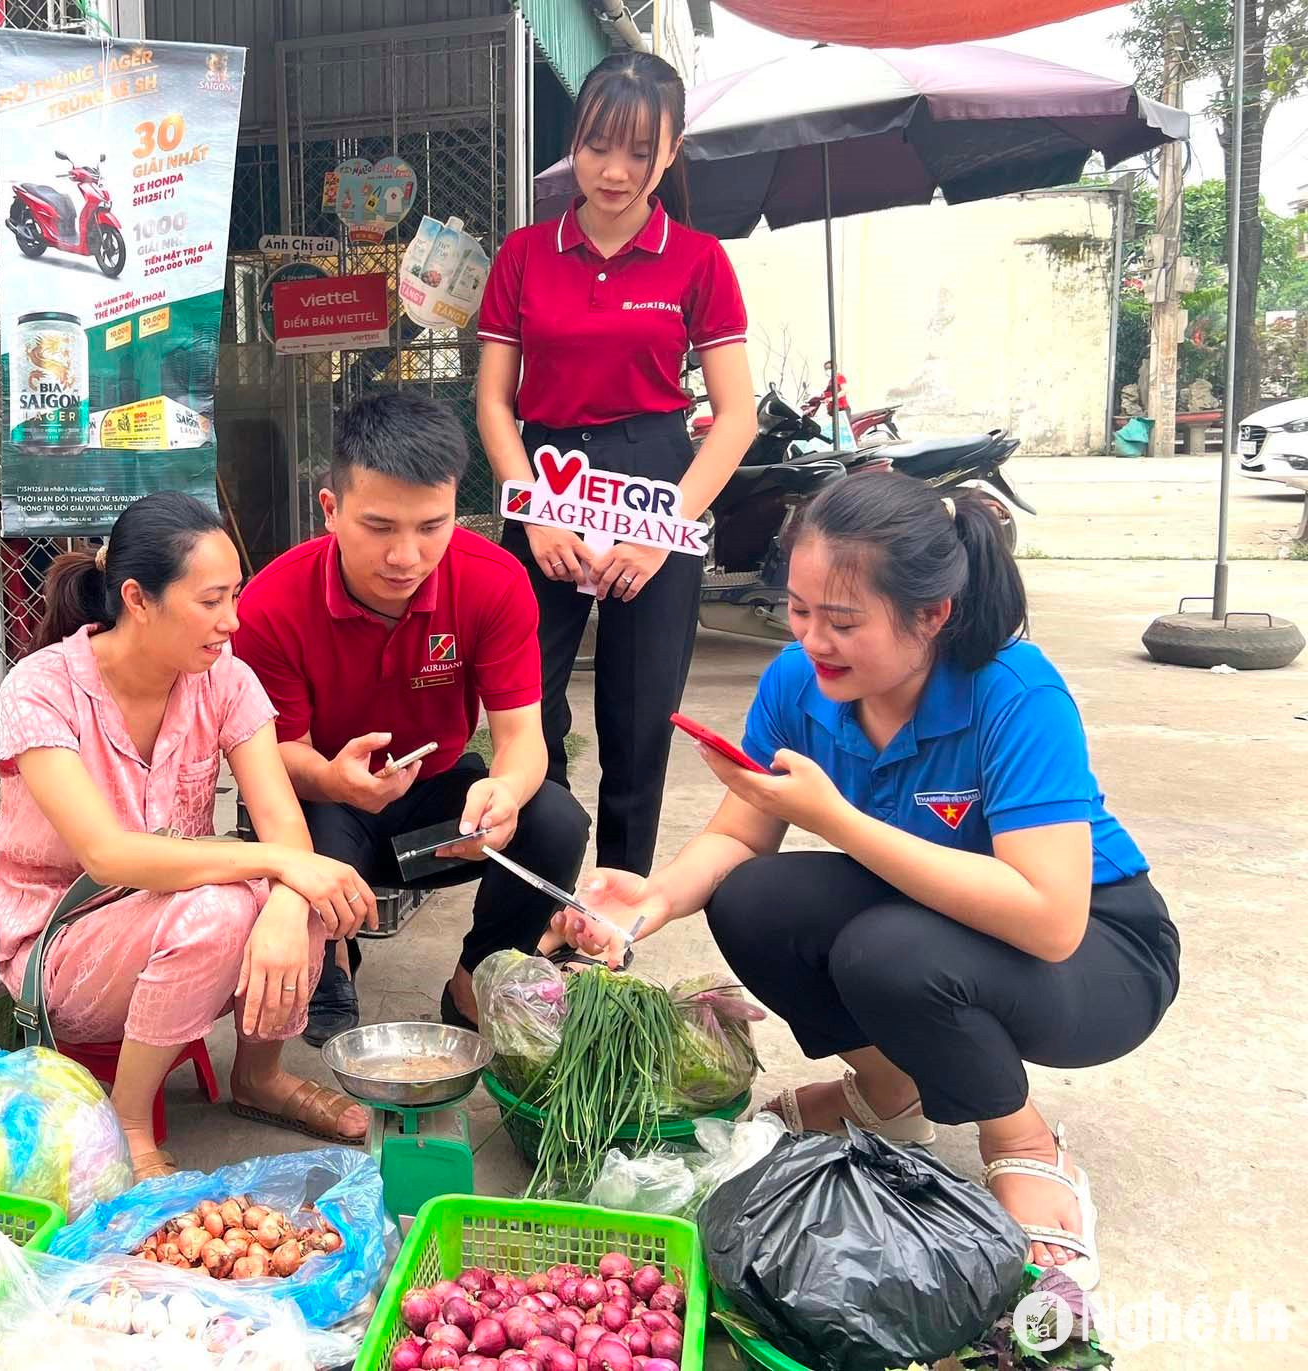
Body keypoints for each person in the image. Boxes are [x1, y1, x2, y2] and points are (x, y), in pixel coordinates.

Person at [553, 473, 1179, 1290]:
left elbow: (1050, 918)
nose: (814, 641)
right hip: (937, 922)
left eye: (844, 621)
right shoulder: (796, 682)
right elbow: (745, 831)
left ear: (932, 614)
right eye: (800, 610)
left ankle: (1019, 1139)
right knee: (751, 899)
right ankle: (889, 1094)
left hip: (1100, 950)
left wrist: (837, 819)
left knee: (888, 951)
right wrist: (657, 897)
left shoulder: (1013, 692)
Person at [0, 491, 377, 1179]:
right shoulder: (41, 687)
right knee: (236, 901)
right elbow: (108, 856)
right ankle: (129, 1120)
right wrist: (274, 865)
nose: (233, 620)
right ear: (138, 598)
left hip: (180, 911)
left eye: (236, 596)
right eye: (211, 600)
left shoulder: (225, 680)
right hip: (64, 939)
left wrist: (292, 895)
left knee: (303, 893)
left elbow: (285, 821)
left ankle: (259, 1075)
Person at [235, 391, 591, 1044]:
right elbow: (269, 755)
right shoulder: (270, 605)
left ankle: (473, 981)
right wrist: (335, 781)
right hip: (325, 809)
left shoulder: (494, 582)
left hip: (435, 825)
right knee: (287, 816)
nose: (406, 555)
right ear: (330, 511)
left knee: (557, 822)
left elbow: (522, 739)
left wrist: (503, 796)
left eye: (432, 526)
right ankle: (332, 954)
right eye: (379, 527)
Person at [476, 50, 756, 877]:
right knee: (529, 703)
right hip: (547, 470)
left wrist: (661, 531)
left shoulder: (699, 261)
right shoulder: (523, 255)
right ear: (577, 142)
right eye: (601, 146)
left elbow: (734, 415)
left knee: (641, 717)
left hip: (654, 476)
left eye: (642, 151)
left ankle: (617, 910)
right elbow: (495, 402)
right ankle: (542, 887)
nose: (617, 170)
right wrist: (533, 508)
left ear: (670, 153)